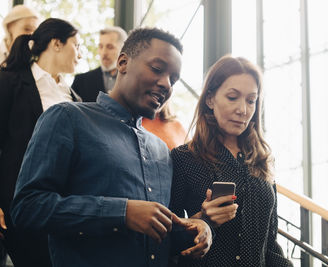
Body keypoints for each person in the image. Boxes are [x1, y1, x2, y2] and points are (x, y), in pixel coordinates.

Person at [10, 27, 212, 267]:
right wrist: (122, 213)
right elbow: (27, 207)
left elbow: (155, 239)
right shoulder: (67, 118)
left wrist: (199, 228)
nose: (166, 84)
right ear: (123, 63)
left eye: (174, 79)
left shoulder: (161, 151)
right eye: (157, 69)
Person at [169, 55, 293, 266]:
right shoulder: (184, 158)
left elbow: (270, 244)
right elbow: (167, 239)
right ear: (210, 99)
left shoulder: (262, 161)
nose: (243, 110)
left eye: (251, 100)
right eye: (233, 97)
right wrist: (203, 220)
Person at [0, 18, 82, 267]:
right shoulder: (8, 82)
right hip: (18, 205)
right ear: (57, 43)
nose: (80, 53)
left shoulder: (75, 97)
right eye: (76, 45)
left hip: (64, 210)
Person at [71, 26, 127, 101]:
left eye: (110, 47)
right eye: (100, 47)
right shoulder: (81, 82)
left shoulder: (134, 81)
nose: (104, 53)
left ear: (123, 49)